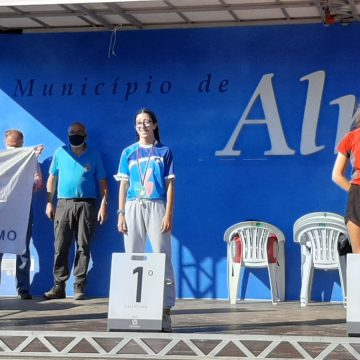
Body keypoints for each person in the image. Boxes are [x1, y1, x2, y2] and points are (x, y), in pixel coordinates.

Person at [116, 108, 176, 332]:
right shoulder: (128, 153)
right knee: (132, 258)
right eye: (139, 123)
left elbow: (170, 185)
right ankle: (134, 310)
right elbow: (123, 184)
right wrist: (120, 213)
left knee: (162, 257)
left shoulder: (164, 151)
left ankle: (165, 311)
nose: (143, 126)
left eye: (147, 122)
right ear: (135, 127)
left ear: (155, 125)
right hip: (133, 206)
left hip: (157, 205)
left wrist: (168, 213)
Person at [44, 122, 108, 300]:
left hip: (87, 205)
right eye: (72, 132)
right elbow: (52, 178)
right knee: (61, 246)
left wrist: (104, 203)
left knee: (83, 246)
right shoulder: (60, 152)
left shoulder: (94, 154)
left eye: (79, 132)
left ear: (86, 135)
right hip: (63, 204)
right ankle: (59, 286)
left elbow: (102, 181)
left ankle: (79, 285)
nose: (75, 135)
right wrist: (49, 202)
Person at [0, 129, 44, 299]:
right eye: (12, 147)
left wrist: (27, 178)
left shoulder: (30, 161)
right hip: (3, 209)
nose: (14, 150)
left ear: (22, 144)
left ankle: (23, 288)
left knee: (22, 247)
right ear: (5, 143)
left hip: (21, 209)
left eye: (17, 146)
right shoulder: (2, 159)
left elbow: (38, 182)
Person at [332, 109, 360, 254]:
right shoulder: (351, 137)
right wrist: (355, 192)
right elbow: (336, 175)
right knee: (358, 254)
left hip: (356, 194)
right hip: (356, 196)